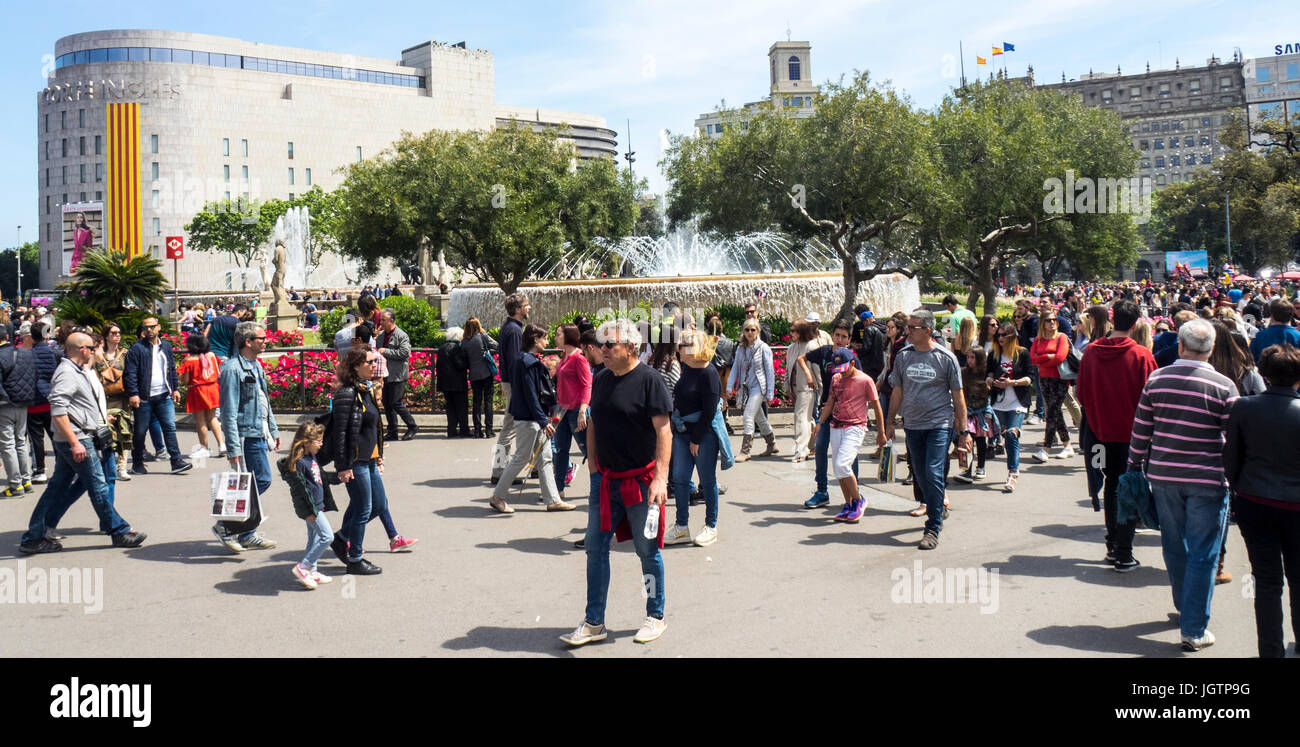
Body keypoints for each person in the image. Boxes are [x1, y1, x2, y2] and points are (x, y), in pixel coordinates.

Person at [1127, 319, 1238, 651]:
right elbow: (1233, 438)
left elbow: (1142, 429)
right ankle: (1193, 625)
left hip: (1164, 476)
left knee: (1175, 546)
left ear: (1180, 345)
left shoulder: (1157, 380)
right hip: (1208, 477)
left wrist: (1133, 466)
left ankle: (1185, 608)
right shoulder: (1224, 386)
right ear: (1212, 348)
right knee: (1204, 552)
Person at [560, 319, 672, 647]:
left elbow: (664, 431)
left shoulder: (650, 381)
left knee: (647, 551)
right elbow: (594, 421)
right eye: (601, 344)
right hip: (605, 482)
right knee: (595, 550)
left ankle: (655, 615)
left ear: (631, 348)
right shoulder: (602, 379)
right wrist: (594, 466)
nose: (602, 349)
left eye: (610, 345)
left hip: (641, 482)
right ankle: (594, 621)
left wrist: (661, 479)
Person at [18, 332, 146, 554]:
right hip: (78, 439)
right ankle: (118, 530)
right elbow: (58, 410)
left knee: (58, 487)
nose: (95, 351)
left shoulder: (76, 371)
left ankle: (34, 534)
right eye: (91, 347)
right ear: (83, 350)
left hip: (78, 437)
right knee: (97, 485)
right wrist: (75, 442)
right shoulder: (67, 373)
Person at [1223, 343, 1300, 657]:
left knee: (1266, 580)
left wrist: (1241, 488)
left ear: (1264, 375)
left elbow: (1231, 457)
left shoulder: (1244, 406)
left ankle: (1270, 650)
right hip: (1293, 505)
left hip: (1255, 501)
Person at [1076, 300, 1157, 573]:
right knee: (1129, 488)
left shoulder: (1090, 353)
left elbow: (1081, 396)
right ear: (1135, 325)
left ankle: (1113, 544)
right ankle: (1123, 550)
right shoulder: (1142, 355)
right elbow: (1153, 400)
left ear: (1112, 321)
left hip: (1099, 434)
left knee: (1111, 485)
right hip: (1133, 437)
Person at [885, 309, 968, 550]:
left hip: (939, 424)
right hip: (913, 424)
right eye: (907, 327)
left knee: (932, 471)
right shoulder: (903, 356)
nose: (907, 331)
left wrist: (963, 433)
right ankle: (938, 506)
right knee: (920, 475)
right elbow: (897, 391)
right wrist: (890, 421)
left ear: (928, 331)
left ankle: (932, 527)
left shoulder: (945, 358)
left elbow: (958, 396)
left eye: (912, 328)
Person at [326, 349, 398, 574]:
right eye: (369, 362)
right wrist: (343, 466)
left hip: (369, 458)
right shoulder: (347, 393)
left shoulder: (364, 389)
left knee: (379, 505)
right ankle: (355, 559)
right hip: (355, 461)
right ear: (356, 366)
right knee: (364, 508)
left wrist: (378, 457)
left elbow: (372, 427)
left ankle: (341, 538)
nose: (373, 365)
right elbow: (341, 434)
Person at [488, 323, 572, 513]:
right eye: (545, 337)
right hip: (530, 419)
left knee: (545, 458)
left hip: (533, 417)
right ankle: (498, 496)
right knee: (522, 457)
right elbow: (530, 394)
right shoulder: (527, 362)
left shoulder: (526, 359)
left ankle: (552, 500)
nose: (547, 341)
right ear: (535, 339)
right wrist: (543, 421)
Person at [212, 322, 279, 553]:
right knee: (260, 480)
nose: (265, 340)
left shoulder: (255, 365)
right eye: (261, 338)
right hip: (244, 435)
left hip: (258, 431)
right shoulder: (232, 369)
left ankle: (247, 533)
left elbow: (264, 400)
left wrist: (273, 429)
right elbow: (228, 412)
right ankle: (225, 525)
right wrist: (232, 447)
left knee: (252, 482)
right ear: (247, 342)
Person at [665, 329, 729, 547]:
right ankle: (682, 526)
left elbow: (710, 410)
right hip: (683, 432)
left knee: (707, 481)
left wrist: (697, 439)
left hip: (702, 435)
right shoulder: (687, 368)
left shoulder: (708, 373)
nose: (678, 348)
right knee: (680, 478)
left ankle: (711, 526)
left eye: (682, 345)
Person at [813, 347, 885, 522]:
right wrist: (820, 423)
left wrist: (881, 431)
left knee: (843, 464)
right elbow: (830, 403)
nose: (841, 373)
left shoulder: (865, 380)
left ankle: (859, 500)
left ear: (853, 363)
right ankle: (849, 503)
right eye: (838, 370)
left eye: (844, 369)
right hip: (836, 425)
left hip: (855, 426)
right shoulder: (836, 378)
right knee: (838, 469)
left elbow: (876, 406)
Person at [798, 320, 860, 507]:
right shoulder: (824, 352)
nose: (839, 339)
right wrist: (809, 376)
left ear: (849, 340)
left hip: (847, 414)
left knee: (849, 454)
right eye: (837, 335)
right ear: (832, 335)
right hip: (826, 409)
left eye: (844, 336)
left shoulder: (852, 359)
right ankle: (822, 491)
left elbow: (860, 383)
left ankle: (853, 494)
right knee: (820, 448)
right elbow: (801, 358)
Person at [124, 317, 192, 475]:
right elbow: (130, 373)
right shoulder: (137, 349)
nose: (149, 330)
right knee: (140, 431)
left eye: (152, 327)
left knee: (169, 428)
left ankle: (176, 461)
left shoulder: (165, 346)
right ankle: (137, 463)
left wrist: (174, 388)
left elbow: (171, 369)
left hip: (163, 395)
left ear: (159, 327)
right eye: (146, 327)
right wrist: (133, 393)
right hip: (144, 397)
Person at [279, 422, 341, 590]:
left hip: (317, 505)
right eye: (318, 441)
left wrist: (339, 478)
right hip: (311, 508)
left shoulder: (312, 457)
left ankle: (311, 571)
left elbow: (320, 478)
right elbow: (299, 491)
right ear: (306, 442)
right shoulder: (298, 463)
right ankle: (303, 567)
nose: (321, 444)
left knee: (313, 539)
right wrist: (309, 511)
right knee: (327, 537)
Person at [987, 322, 1033, 492]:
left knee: (1012, 435)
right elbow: (988, 375)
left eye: (1004, 335)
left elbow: (1030, 378)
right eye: (998, 335)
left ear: (1012, 336)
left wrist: (1012, 382)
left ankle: (1013, 473)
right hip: (999, 403)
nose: (1000, 338)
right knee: (1004, 436)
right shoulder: (994, 354)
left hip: (1017, 402)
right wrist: (993, 382)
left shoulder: (1022, 353)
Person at [492, 293, 530, 484]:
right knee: (509, 428)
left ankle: (501, 469)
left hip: (509, 382)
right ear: (517, 309)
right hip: (514, 383)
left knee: (515, 426)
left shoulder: (510, 327)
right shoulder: (514, 331)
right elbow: (516, 361)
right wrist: (521, 386)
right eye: (526, 305)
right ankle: (499, 470)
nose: (529, 308)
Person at [727, 319, 776, 461]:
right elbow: (735, 368)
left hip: (759, 387)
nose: (749, 332)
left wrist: (770, 393)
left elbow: (770, 371)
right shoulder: (741, 348)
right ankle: (771, 443)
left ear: (758, 332)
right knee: (759, 417)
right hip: (746, 387)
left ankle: (745, 450)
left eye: (753, 330)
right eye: (747, 329)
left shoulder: (764, 348)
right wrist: (729, 386)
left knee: (748, 415)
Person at [1029, 310, 1074, 462]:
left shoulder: (1062, 337)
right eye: (1048, 320)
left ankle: (1046, 448)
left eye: (1054, 319)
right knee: (1056, 413)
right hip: (1044, 379)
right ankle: (1067, 445)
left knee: (1052, 412)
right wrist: (1048, 357)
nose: (1052, 322)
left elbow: (1060, 357)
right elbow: (1033, 359)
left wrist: (1044, 359)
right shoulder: (1038, 339)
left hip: (1059, 379)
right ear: (1042, 323)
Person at [553, 323, 591, 500]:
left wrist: (583, 409)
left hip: (576, 411)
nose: (555, 337)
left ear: (568, 336)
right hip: (562, 410)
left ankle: (601, 487)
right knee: (561, 450)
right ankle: (558, 489)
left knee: (589, 451)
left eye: (558, 334)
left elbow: (586, 384)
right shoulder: (564, 355)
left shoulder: (579, 358)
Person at [92, 322, 133, 481]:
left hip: (122, 399)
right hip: (105, 400)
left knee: (124, 432)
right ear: (106, 336)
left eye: (119, 332)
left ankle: (122, 467)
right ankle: (108, 466)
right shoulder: (98, 356)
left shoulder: (125, 354)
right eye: (114, 333)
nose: (118, 335)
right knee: (107, 434)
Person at [177, 333, 225, 458]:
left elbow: (186, 380)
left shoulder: (188, 360)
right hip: (213, 388)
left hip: (197, 390)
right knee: (213, 418)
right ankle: (222, 445)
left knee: (200, 420)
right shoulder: (212, 356)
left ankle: (204, 448)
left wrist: (182, 378)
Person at [0, 326, 35, 496]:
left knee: (7, 445)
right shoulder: (26, 353)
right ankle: (26, 480)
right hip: (24, 403)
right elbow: (33, 376)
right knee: (21, 441)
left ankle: (15, 485)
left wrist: (6, 398)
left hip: (5, 405)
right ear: (7, 336)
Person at [953, 347, 996, 484]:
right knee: (964, 439)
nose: (970, 360)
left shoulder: (986, 374)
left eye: (973, 357)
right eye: (968, 357)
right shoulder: (963, 372)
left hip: (981, 412)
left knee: (980, 441)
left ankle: (981, 467)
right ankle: (967, 470)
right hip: (967, 412)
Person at [377, 308, 418, 441]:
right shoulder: (381, 336)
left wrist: (386, 351)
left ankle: (412, 426)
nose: (381, 322)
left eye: (383, 320)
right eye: (381, 319)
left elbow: (405, 353)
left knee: (396, 402)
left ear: (392, 321)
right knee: (387, 403)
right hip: (385, 374)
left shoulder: (401, 335)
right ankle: (392, 431)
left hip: (397, 375)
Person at [26, 321, 59, 484]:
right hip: (52, 401)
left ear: (32, 336)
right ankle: (62, 467)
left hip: (33, 402)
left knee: (36, 439)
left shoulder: (26, 355)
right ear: (47, 335)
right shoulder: (55, 353)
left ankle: (40, 470)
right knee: (57, 436)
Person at [785, 320, 820, 462]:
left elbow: (817, 370)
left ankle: (801, 450)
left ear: (802, 332)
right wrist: (787, 388)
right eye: (791, 330)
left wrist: (822, 389)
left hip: (808, 388)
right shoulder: (791, 348)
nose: (791, 333)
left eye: (794, 330)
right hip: (795, 388)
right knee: (807, 418)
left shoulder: (811, 346)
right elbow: (788, 370)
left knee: (800, 417)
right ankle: (812, 443)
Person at [461, 317, 498, 438]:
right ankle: (489, 429)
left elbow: (464, 357)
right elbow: (497, 346)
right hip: (486, 373)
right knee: (488, 401)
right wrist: (488, 350)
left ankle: (477, 430)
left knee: (476, 403)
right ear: (478, 325)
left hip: (474, 375)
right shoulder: (482, 336)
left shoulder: (465, 341)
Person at [435, 327, 470, 438]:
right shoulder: (457, 349)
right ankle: (464, 430)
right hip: (458, 383)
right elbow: (460, 365)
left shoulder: (441, 348)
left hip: (445, 383)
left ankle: (452, 430)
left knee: (450, 407)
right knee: (461, 407)